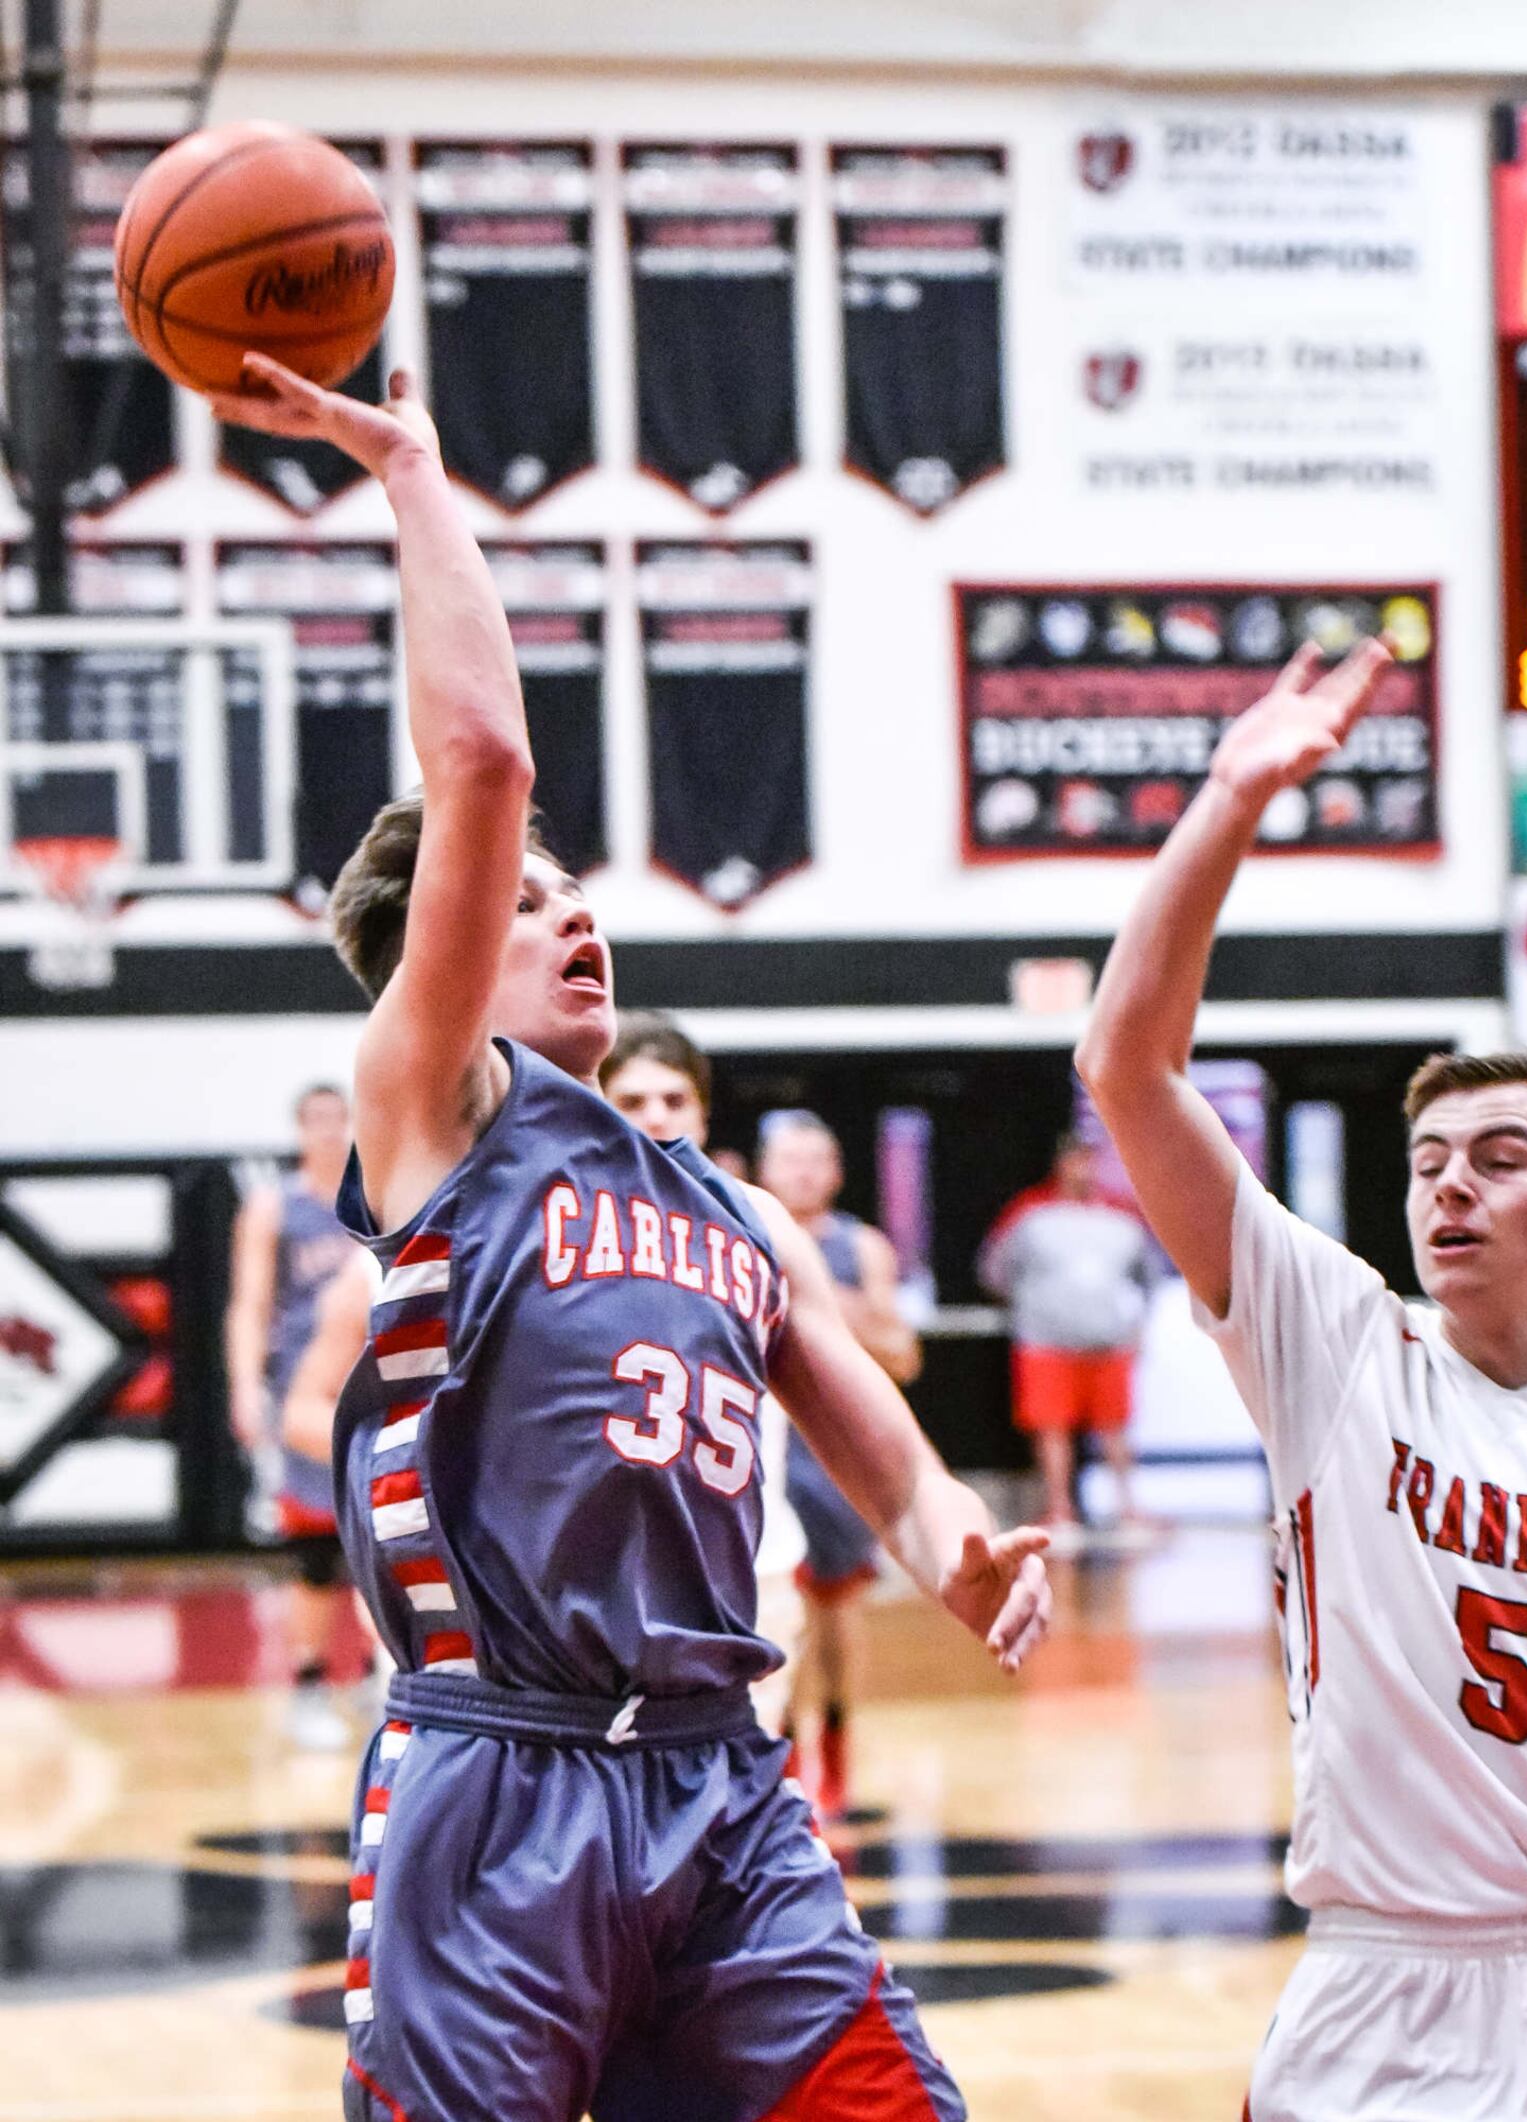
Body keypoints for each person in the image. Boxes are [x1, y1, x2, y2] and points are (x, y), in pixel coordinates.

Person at [211, 350, 1050, 2122]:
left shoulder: (732, 1210)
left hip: (718, 1785)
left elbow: (886, 1462)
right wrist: (414, 471)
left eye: (574, 889)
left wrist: (960, 1547)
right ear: (432, 961)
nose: (570, 905)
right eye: (520, 900)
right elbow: (489, 756)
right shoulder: (441, 1114)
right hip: (500, 1779)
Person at [1076, 633, 1527, 2122]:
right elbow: (1129, 1062)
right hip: (1383, 1981)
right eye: (1429, 1161)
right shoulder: (1337, 1341)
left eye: (1502, 1160)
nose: (1450, 1190)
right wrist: (1232, 796)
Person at [599, 1012, 808, 1739]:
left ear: (703, 1110)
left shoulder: (760, 1225)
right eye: (631, 1101)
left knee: (729, 1819)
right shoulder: (559, 1223)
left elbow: (877, 1363)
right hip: (605, 1583)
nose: (656, 1116)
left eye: (674, 1099)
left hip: (750, 1569)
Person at [756, 1110, 921, 1819]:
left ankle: (840, 1742)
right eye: (789, 1160)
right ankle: (784, 1754)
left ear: (838, 1171)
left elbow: (900, 1353)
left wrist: (832, 1303)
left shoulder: (864, 1247)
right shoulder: (741, 1228)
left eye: (815, 1160)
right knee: (776, 1611)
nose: (802, 1173)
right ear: (765, 1169)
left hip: (831, 1448)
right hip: (761, 1446)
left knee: (838, 1607)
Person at [226, 1081, 359, 1749]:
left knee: (381, 1541)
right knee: (315, 1549)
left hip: (369, 1386)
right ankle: (307, 1684)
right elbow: (249, 1305)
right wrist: (245, 1385)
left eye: (340, 1118)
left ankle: (369, 1676)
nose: (330, 1130)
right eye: (318, 1120)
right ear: (300, 1129)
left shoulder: (377, 1196)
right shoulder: (275, 1207)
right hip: (306, 1393)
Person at [977, 1131, 1157, 1541]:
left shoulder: (1122, 1215)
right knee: (1051, 1427)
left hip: (1107, 1341)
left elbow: (1148, 1276)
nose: (1084, 1168)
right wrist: (1033, 1307)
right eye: (1076, 1160)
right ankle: (1060, 1509)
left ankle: (1127, 1508)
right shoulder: (1029, 1214)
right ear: (1060, 1163)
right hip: (1045, 1342)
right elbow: (995, 1271)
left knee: (1115, 1426)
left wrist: (1138, 1328)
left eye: (1090, 1160)